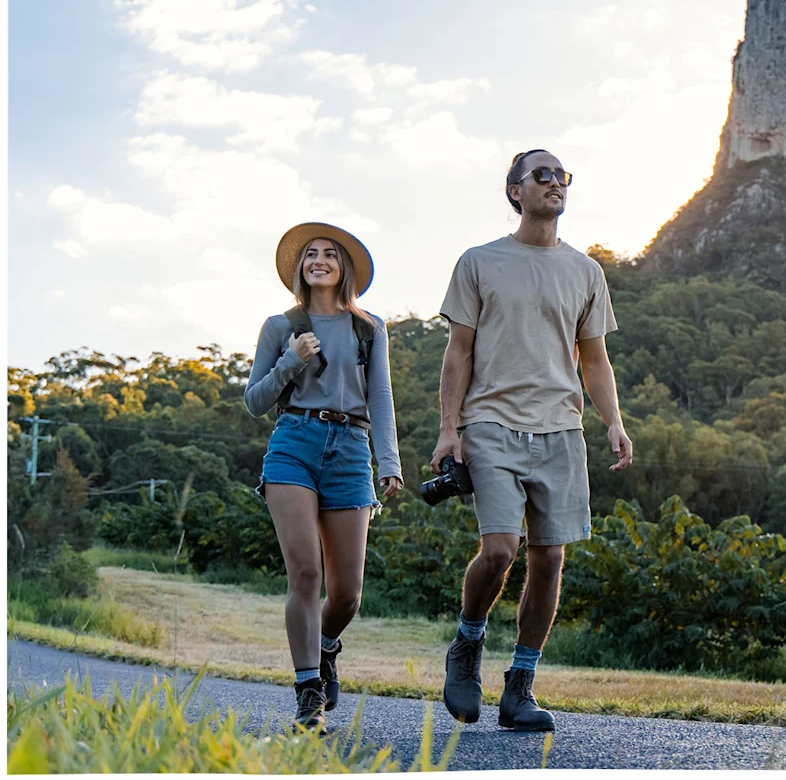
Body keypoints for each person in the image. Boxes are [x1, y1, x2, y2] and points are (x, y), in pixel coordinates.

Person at [432, 150, 632, 730]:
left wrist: (613, 422)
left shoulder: (586, 271)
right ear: (515, 191)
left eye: (561, 176)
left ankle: (520, 686)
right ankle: (467, 644)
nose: (555, 183)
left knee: (550, 557)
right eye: (541, 175)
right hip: (490, 422)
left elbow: (594, 360)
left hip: (562, 429)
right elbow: (459, 352)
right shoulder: (479, 262)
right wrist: (451, 430)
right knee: (500, 551)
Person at [244, 222, 403, 731]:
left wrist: (391, 462)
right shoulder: (279, 325)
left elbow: (380, 398)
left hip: (353, 451)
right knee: (306, 573)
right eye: (311, 254)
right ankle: (308, 690)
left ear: (344, 268)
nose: (319, 260)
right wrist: (292, 360)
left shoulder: (369, 328)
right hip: (294, 444)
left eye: (329, 254)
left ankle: (327, 646)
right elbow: (254, 402)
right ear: (300, 267)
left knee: (348, 592)